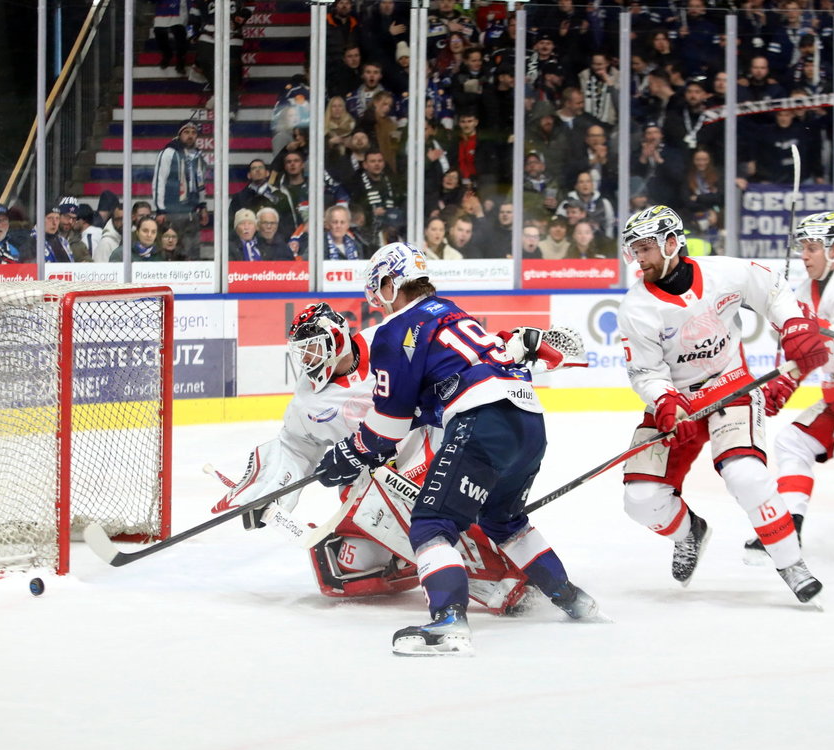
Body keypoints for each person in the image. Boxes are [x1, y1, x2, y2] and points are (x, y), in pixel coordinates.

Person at [315, 243, 603, 655]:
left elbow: (387, 429)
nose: (376, 302)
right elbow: (432, 399)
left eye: (377, 290)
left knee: (431, 524)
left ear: (390, 283)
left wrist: (350, 452)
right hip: (529, 419)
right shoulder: (451, 311)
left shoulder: (395, 331)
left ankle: (448, 620)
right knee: (505, 522)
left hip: (482, 422)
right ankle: (575, 601)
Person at [210, 300, 533, 615]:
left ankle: (495, 578)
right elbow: (295, 447)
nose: (307, 358)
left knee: (425, 514)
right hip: (371, 489)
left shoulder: (387, 342)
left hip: (429, 454)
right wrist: (270, 494)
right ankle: (419, 555)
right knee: (342, 570)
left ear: (336, 339)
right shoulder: (307, 401)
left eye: (313, 347)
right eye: (302, 351)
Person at [616, 205, 827, 604]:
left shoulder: (723, 272)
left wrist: (794, 324)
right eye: (634, 250)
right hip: (678, 401)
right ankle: (688, 532)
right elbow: (646, 372)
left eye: (645, 248)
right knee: (641, 499)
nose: (639, 258)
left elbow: (774, 290)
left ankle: (790, 563)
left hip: (731, 386)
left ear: (672, 243)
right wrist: (663, 401)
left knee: (746, 475)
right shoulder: (635, 308)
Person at [746, 212, 834, 558]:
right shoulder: (802, 292)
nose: (804, 255)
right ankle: (788, 530)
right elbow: (807, 351)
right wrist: (785, 382)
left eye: (813, 247)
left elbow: (818, 346)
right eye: (803, 247)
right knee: (793, 443)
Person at [152, 122, 210, 259]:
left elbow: (200, 183)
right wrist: (160, 209)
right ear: (179, 134)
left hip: (191, 214)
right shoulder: (168, 153)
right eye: (186, 132)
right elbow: (159, 180)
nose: (190, 136)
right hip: (172, 212)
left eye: (193, 133)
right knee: (170, 252)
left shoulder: (198, 156)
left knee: (192, 253)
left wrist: (202, 206)